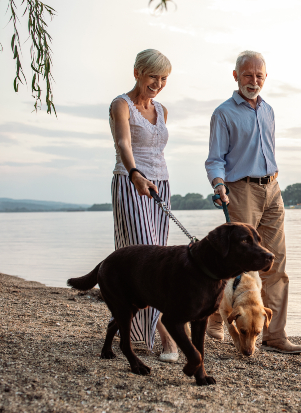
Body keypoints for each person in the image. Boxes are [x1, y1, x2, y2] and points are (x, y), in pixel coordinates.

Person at [204, 50, 301, 354]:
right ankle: (215, 319)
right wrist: (219, 184)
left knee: (276, 264)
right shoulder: (223, 113)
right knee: (233, 264)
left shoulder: (268, 111)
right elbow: (215, 159)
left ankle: (274, 335)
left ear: (265, 78)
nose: (254, 80)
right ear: (236, 76)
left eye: (259, 75)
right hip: (241, 190)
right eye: (248, 75)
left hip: (272, 188)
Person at [109, 49, 179, 363]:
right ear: (138, 71)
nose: (158, 83)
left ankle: (130, 329)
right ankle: (168, 335)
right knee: (145, 258)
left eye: (163, 78)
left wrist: (154, 179)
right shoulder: (120, 104)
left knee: (159, 261)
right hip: (131, 182)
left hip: (160, 185)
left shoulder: (162, 109)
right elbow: (123, 143)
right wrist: (135, 172)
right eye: (153, 76)